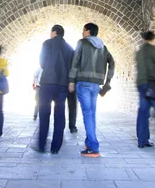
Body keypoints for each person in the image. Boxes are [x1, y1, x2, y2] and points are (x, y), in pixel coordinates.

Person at [69, 23, 115, 157]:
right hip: (96, 85)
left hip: (83, 83)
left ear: (88, 32)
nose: (82, 33)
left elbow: (75, 62)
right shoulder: (103, 47)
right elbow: (112, 63)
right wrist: (107, 83)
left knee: (87, 114)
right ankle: (90, 142)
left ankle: (94, 147)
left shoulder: (82, 43)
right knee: (91, 114)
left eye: (83, 30)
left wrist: (71, 81)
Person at [35, 25, 75, 154]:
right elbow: (71, 67)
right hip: (62, 85)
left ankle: (41, 145)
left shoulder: (47, 43)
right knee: (59, 113)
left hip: (47, 82)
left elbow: (41, 62)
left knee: (44, 113)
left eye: (51, 32)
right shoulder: (70, 48)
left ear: (54, 32)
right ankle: (56, 147)